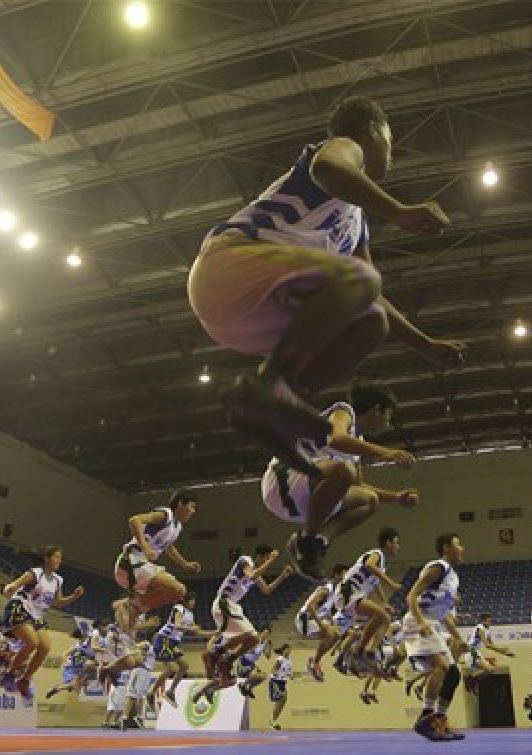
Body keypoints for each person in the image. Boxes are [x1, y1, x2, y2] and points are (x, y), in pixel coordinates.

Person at [187, 95, 465, 476]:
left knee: (371, 322)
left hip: (252, 315)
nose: (392, 154)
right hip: (230, 264)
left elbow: (372, 295)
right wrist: (400, 211)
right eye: (391, 142)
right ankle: (269, 385)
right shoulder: (342, 150)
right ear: (372, 133)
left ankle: (275, 406)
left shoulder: (357, 222)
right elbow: (328, 167)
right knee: (361, 279)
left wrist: (424, 344)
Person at [263, 383, 418, 581]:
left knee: (369, 500)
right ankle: (307, 542)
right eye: (388, 416)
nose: (388, 423)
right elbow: (336, 439)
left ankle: (317, 543)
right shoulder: (344, 412)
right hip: (283, 482)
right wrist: (385, 452)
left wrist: (395, 497)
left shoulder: (356, 444)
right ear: (376, 409)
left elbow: (358, 487)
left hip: (303, 504)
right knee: (345, 472)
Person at [197, 546, 291, 702]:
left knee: (254, 640)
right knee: (252, 636)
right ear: (261, 556)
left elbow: (267, 590)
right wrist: (272, 560)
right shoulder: (245, 560)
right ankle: (214, 656)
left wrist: (283, 576)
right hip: (225, 603)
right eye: (266, 558)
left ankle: (222, 658)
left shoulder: (254, 573)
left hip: (226, 607)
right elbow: (253, 574)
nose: (268, 561)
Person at [403, 532, 467, 741]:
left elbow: (444, 614)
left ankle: (439, 720)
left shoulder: (453, 577)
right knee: (440, 667)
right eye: (458, 545)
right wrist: (421, 621)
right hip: (418, 621)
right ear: (446, 547)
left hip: (433, 622)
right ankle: (426, 718)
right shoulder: (437, 568)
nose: (462, 549)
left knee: (454, 674)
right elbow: (411, 595)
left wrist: (457, 637)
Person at [0, 545, 84, 699]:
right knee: (32, 642)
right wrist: (9, 588)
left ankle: (24, 680)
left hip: (36, 615)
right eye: (56, 556)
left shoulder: (58, 580)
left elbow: (57, 603)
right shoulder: (34, 574)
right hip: (20, 608)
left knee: (45, 647)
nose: (59, 560)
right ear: (46, 558)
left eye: (60, 557)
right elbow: (11, 586)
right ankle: (8, 675)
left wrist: (74, 596)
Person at [115, 492, 201, 613]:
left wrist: (185, 564)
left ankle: (134, 607)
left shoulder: (177, 527)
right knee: (177, 588)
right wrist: (145, 547)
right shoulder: (165, 515)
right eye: (192, 507)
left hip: (139, 570)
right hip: (130, 562)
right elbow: (134, 520)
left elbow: (168, 547)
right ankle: (133, 605)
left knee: (178, 592)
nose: (193, 511)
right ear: (181, 504)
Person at [333, 527, 403, 676]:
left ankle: (360, 654)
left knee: (384, 619)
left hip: (353, 596)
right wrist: (391, 583)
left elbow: (376, 583)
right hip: (348, 592)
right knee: (382, 616)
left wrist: (385, 602)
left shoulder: (382, 564)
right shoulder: (377, 554)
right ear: (388, 543)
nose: (399, 546)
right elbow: (369, 565)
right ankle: (362, 653)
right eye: (396, 542)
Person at [150, 593, 210, 708]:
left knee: (184, 667)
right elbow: (177, 626)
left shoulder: (191, 615)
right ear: (187, 601)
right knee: (172, 669)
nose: (194, 603)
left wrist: (215, 633)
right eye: (192, 601)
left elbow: (197, 632)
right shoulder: (179, 608)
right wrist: (191, 628)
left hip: (172, 643)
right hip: (164, 639)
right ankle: (152, 692)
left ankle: (170, 691)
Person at [293, 563, 347, 681]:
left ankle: (315, 661)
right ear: (336, 575)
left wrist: (333, 623)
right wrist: (321, 625)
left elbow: (325, 611)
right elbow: (310, 607)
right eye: (344, 574)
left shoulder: (336, 591)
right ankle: (314, 663)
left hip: (313, 620)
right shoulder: (325, 590)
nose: (346, 577)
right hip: (304, 621)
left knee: (337, 633)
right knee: (331, 633)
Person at [461, 612, 514, 692]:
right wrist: (502, 650)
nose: (489, 623)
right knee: (489, 669)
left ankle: (472, 679)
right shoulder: (480, 629)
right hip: (472, 652)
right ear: (483, 621)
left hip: (476, 653)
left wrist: (505, 653)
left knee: (491, 669)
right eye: (488, 621)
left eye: (490, 621)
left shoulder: (487, 631)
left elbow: (492, 645)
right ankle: (470, 679)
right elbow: (487, 645)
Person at [234, 626, 272, 699]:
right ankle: (245, 685)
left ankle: (247, 687)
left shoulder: (265, 643)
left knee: (263, 676)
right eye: (264, 633)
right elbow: (247, 650)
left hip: (251, 664)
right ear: (261, 633)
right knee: (259, 675)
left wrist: (269, 646)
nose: (265, 635)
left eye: (267, 634)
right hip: (243, 662)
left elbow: (268, 656)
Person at [268, 643, 293, 730]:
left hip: (283, 682)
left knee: (284, 699)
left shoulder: (289, 661)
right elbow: (273, 670)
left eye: (290, 649)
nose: (289, 651)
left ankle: (274, 720)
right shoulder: (280, 659)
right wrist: (279, 674)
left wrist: (292, 676)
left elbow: (289, 674)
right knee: (281, 698)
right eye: (287, 649)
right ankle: (273, 721)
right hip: (275, 681)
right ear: (283, 650)